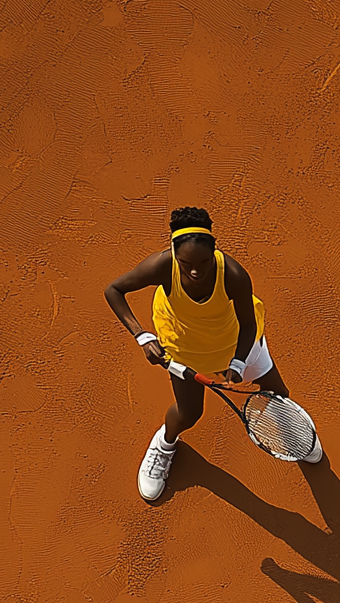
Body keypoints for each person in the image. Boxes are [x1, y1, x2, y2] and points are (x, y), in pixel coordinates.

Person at [104, 206, 303, 502]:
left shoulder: (233, 274)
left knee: (278, 393)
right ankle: (165, 443)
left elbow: (248, 324)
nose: (195, 270)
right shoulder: (161, 266)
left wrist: (237, 361)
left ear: (215, 252)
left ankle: (288, 432)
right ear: (174, 253)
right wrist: (143, 336)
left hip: (236, 343)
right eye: (185, 263)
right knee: (189, 414)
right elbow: (114, 290)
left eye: (203, 262)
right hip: (185, 350)